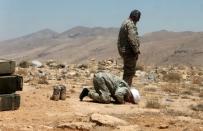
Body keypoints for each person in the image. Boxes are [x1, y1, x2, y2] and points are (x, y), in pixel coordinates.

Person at [117, 9, 141, 86]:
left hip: (124, 50)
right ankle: (124, 91)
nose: (138, 20)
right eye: (138, 18)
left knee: (127, 71)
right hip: (129, 52)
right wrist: (136, 50)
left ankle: (123, 90)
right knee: (129, 73)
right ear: (135, 17)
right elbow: (132, 38)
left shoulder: (125, 22)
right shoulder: (130, 24)